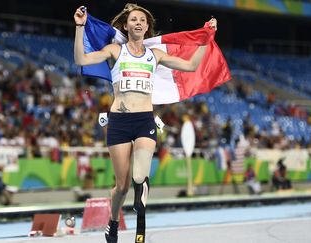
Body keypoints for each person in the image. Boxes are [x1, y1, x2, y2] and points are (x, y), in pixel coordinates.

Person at [74, 3, 217, 243]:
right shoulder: (115, 51)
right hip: (118, 121)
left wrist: (206, 37)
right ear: (126, 26)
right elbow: (81, 58)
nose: (138, 22)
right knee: (121, 186)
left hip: (144, 121)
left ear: (147, 26)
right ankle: (113, 221)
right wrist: (80, 27)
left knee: (139, 177)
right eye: (133, 20)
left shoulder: (155, 55)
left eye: (142, 20)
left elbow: (191, 66)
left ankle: (141, 207)